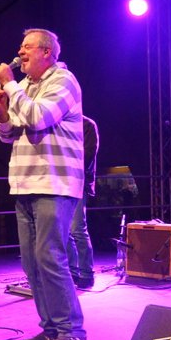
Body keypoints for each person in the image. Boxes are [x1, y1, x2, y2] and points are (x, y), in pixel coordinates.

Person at [0, 28, 88, 340]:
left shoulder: (63, 80)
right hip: (25, 183)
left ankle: (72, 331)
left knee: (50, 257)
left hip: (53, 183)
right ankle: (51, 328)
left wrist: (10, 84)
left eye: (27, 47)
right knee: (31, 262)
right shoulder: (26, 87)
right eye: (20, 46)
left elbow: (38, 117)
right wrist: (2, 112)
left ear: (46, 52)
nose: (20, 52)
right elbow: (8, 134)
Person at [69, 115, 99, 289]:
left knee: (77, 228)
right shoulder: (61, 123)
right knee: (65, 231)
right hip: (61, 183)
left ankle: (86, 273)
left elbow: (88, 155)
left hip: (78, 181)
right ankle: (72, 272)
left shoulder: (87, 125)